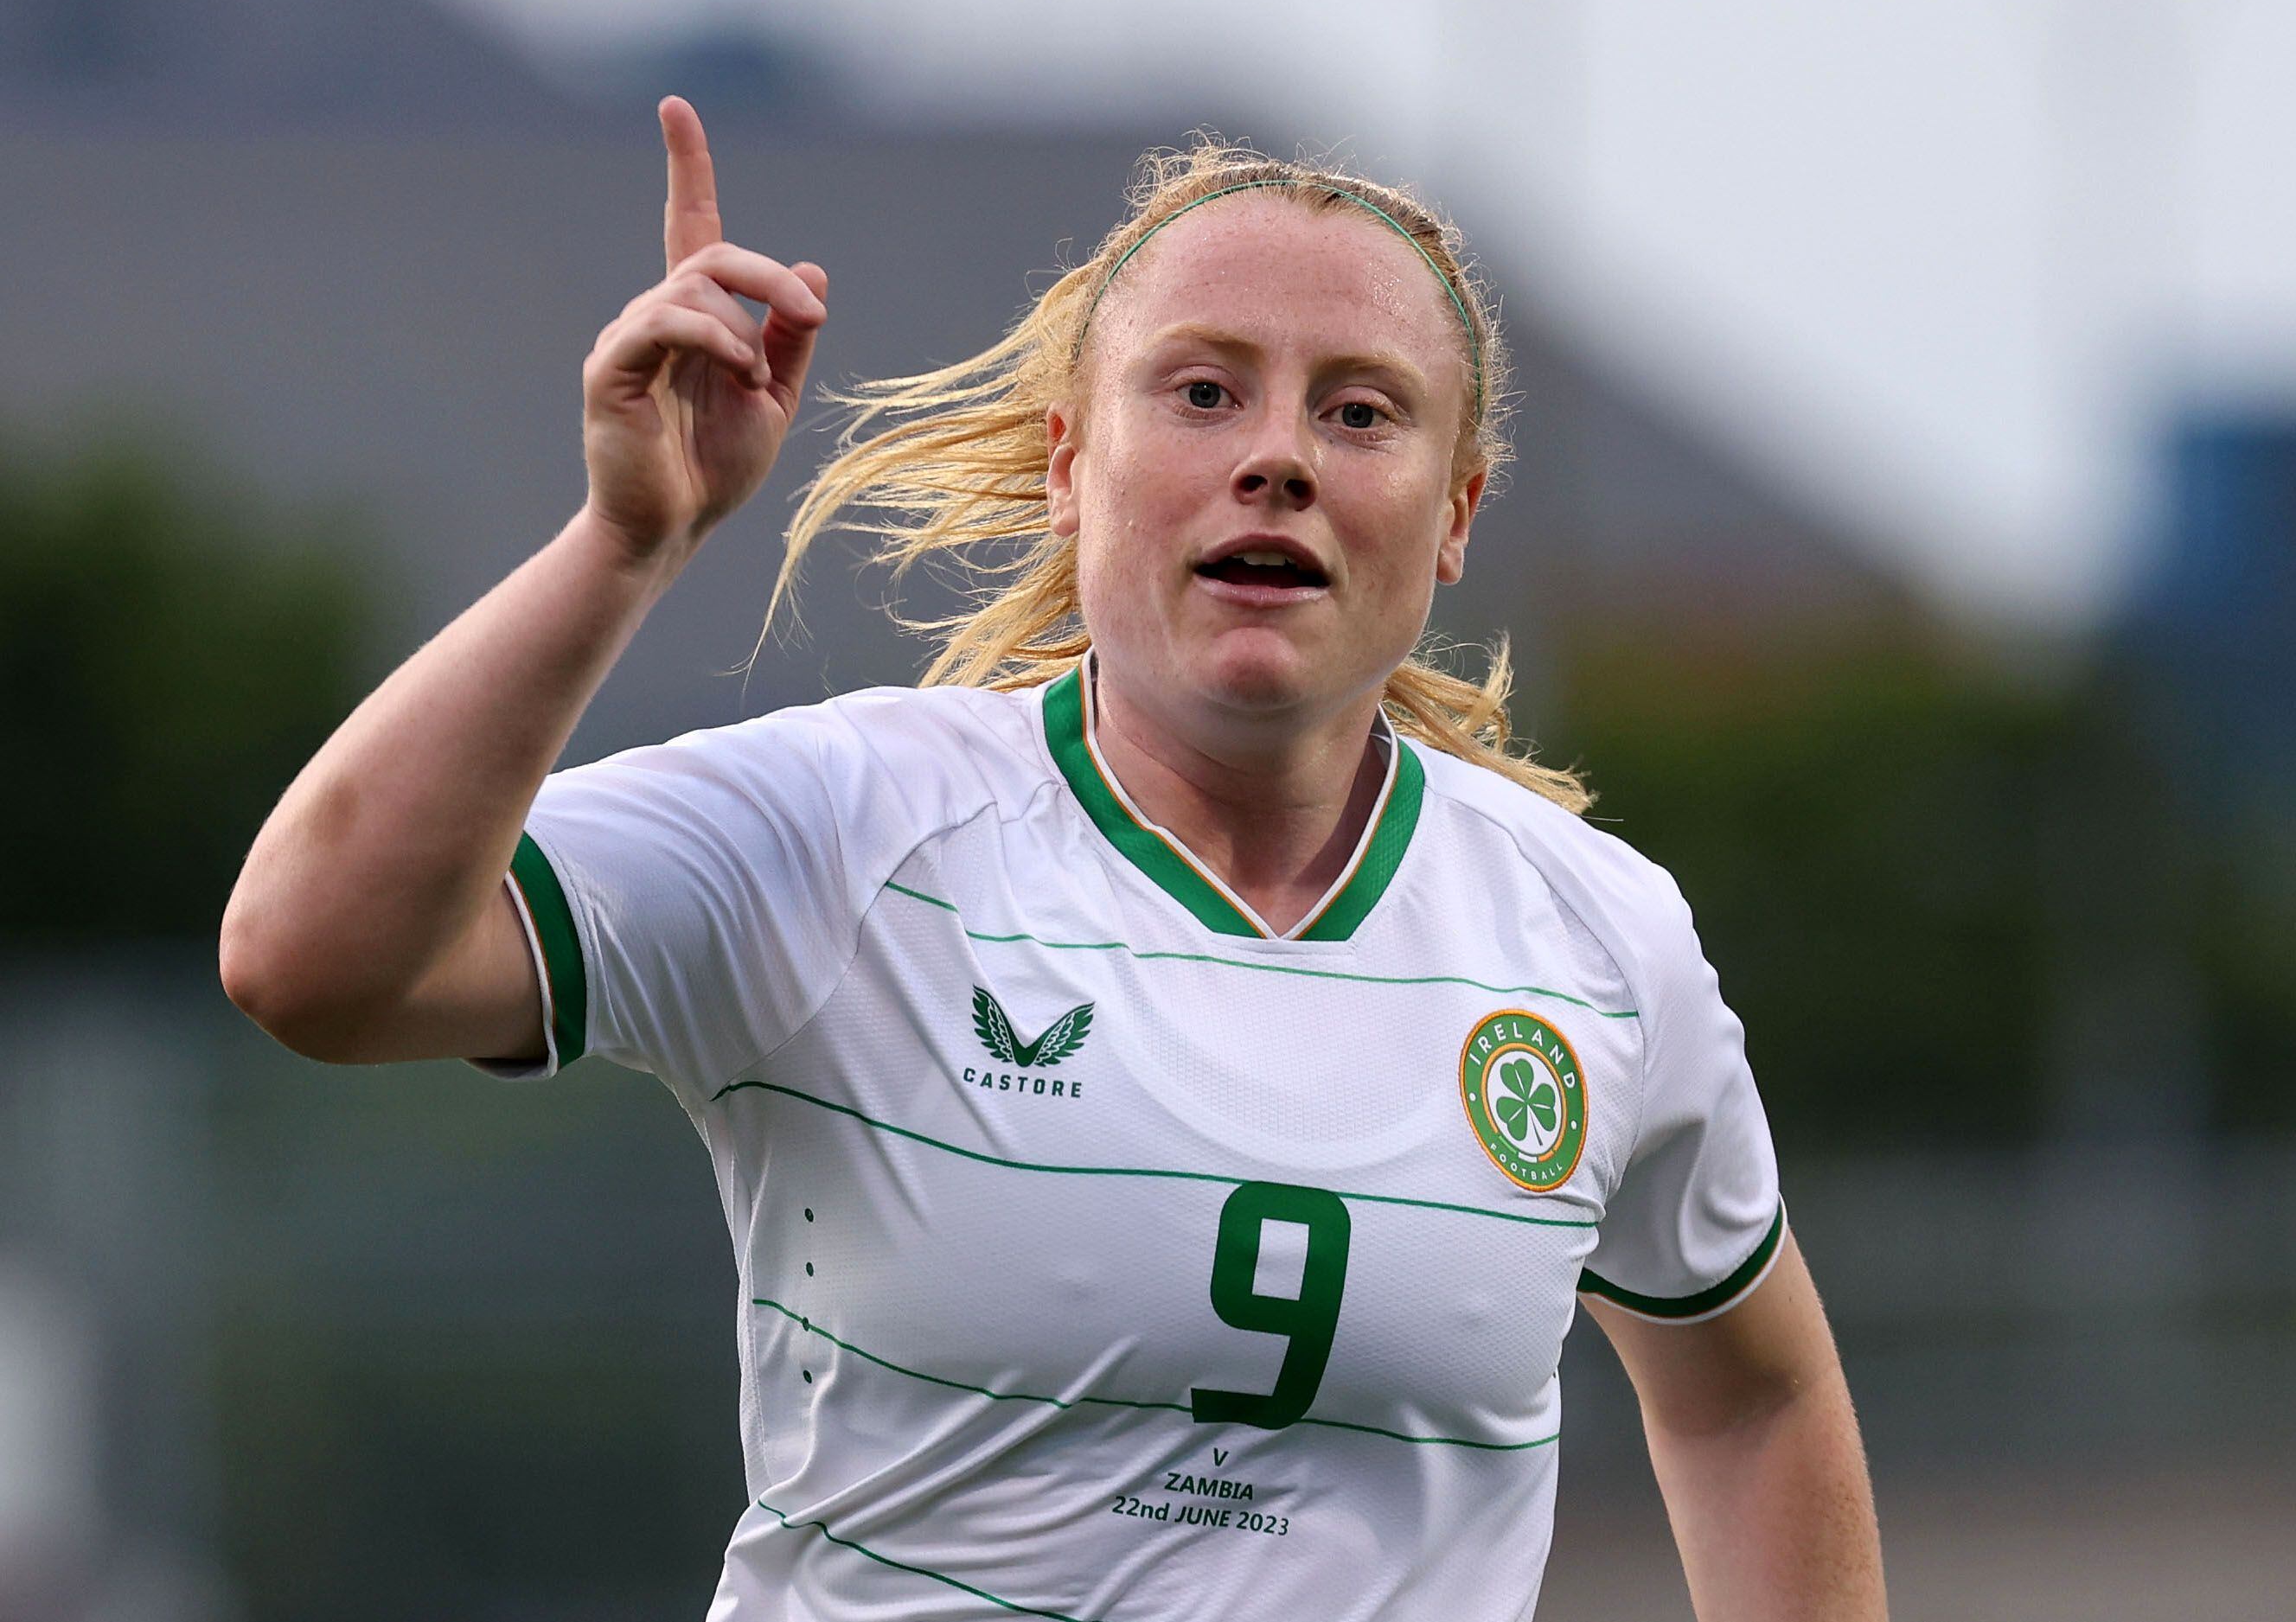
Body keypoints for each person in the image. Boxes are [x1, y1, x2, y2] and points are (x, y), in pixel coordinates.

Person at [221, 96, 1887, 1620]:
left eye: (1361, 411)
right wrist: (622, 544)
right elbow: (309, 957)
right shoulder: (845, 827)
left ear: (1453, 514)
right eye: (1204, 389)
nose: (1281, 453)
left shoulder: (1595, 936)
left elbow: (1752, 1394)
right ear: (1067, 468)